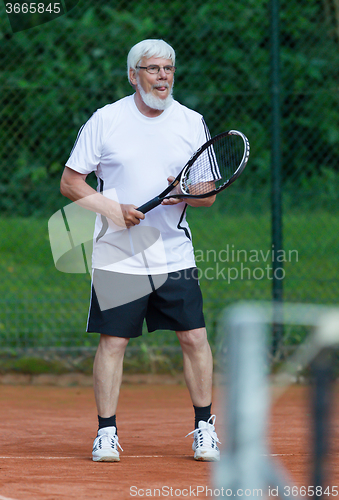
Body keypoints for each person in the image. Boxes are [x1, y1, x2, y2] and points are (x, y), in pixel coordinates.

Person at [60, 39, 220, 462]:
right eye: (153, 69)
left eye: (168, 68)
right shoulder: (106, 120)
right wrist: (112, 209)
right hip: (119, 253)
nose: (163, 76)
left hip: (174, 255)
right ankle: (106, 433)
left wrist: (186, 192)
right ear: (134, 75)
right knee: (113, 342)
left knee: (194, 337)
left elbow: (207, 196)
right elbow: (71, 182)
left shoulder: (191, 122)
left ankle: (205, 428)